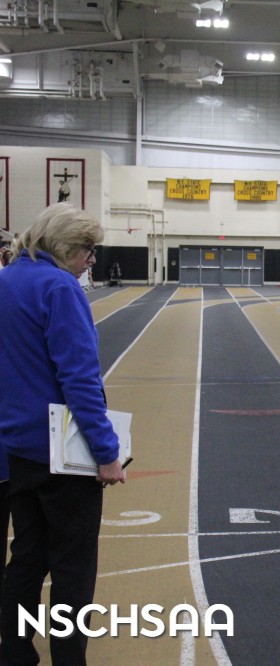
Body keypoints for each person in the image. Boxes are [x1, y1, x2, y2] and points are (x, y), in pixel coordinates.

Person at [0, 203, 126, 665]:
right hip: (62, 454)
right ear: (67, 245)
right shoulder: (59, 287)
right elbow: (79, 378)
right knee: (73, 571)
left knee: (26, 558)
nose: (91, 260)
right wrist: (107, 451)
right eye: (88, 250)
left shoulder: (7, 280)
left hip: (17, 448)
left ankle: (15, 654)